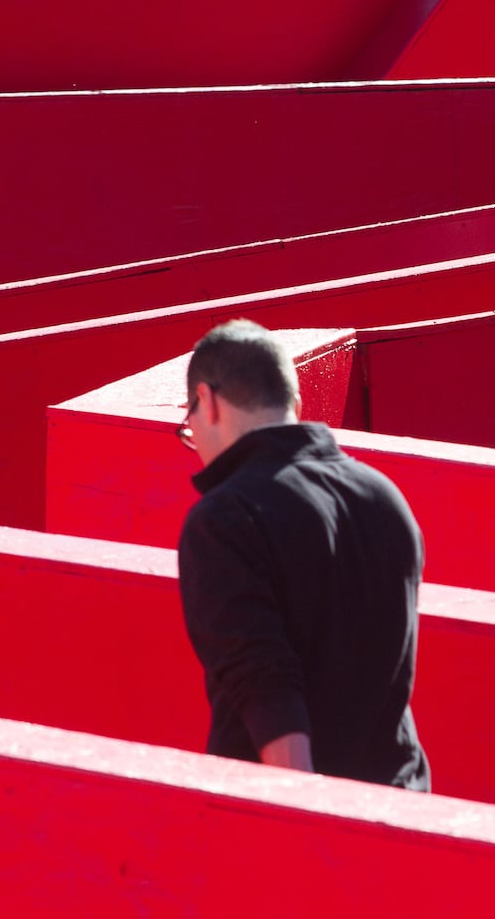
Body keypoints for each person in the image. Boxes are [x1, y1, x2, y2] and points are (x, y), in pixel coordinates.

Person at [175, 319, 430, 790]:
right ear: (295, 403)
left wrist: (307, 818)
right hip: (400, 802)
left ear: (206, 402)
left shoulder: (225, 519)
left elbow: (263, 682)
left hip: (291, 822)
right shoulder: (385, 497)